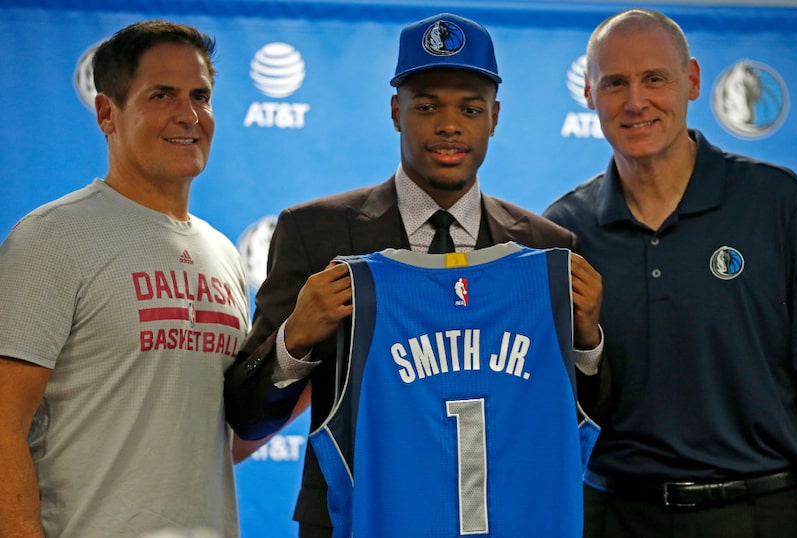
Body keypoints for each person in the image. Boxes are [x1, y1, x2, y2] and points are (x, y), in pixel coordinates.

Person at [224, 12, 603, 537]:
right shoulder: (316, 233)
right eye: (426, 106)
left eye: (469, 108)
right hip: (353, 518)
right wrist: (295, 339)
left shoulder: (545, 249)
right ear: (395, 111)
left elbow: (586, 418)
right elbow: (248, 416)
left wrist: (587, 344)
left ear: (494, 117)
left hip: (507, 518)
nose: (449, 125)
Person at [543, 8, 797, 538]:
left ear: (692, 80)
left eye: (655, 78)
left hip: (766, 514)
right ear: (588, 93)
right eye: (615, 84)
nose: (635, 102)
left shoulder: (779, 203)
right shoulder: (562, 231)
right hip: (615, 516)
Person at [0, 20, 250, 537]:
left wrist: (311, 361)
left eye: (200, 96)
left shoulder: (223, 253)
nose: (189, 115)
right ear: (107, 112)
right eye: (162, 95)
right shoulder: (52, 238)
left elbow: (214, 438)